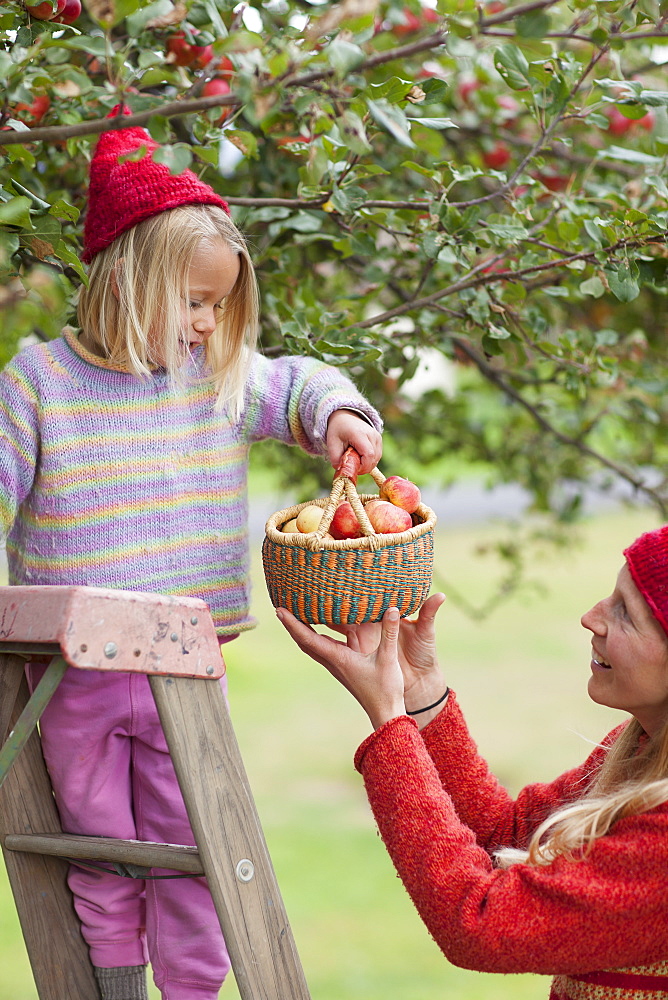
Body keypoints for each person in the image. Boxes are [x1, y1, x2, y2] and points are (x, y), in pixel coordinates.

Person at [0, 106, 382, 1000]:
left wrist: (336, 415)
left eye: (220, 306)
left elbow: (296, 381)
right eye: (197, 302)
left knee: (191, 845)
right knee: (97, 848)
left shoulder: (215, 380)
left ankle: (195, 990)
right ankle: (115, 987)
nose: (210, 324)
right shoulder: (37, 387)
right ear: (128, 282)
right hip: (69, 671)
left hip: (184, 670)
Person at [277, 526, 668, 999]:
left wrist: (390, 723)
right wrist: (418, 693)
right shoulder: (641, 752)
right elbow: (506, 838)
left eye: (626, 613)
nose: (592, 618)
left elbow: (478, 920)